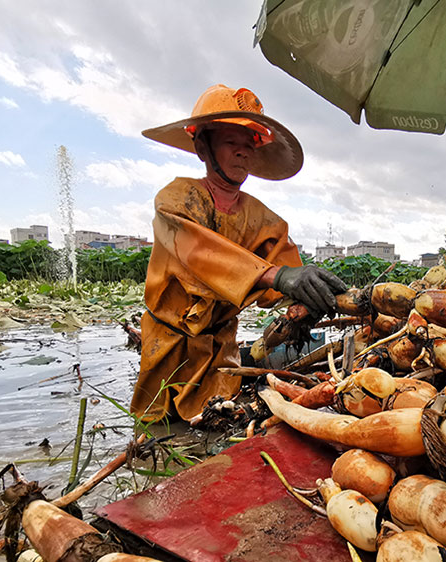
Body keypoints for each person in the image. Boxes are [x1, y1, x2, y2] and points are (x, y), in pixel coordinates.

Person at [130, 84, 347, 422]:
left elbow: (283, 270)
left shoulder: (262, 218)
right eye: (232, 142)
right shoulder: (176, 201)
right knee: (155, 427)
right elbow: (199, 255)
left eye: (249, 145)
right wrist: (276, 275)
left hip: (221, 349)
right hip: (169, 345)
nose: (242, 152)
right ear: (203, 145)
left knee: (219, 421)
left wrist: (308, 298)